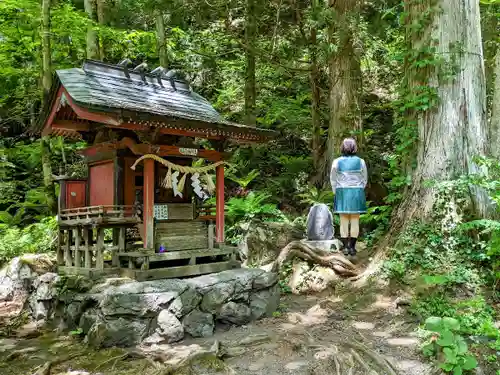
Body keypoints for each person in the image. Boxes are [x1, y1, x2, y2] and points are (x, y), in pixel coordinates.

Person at [330, 138, 367, 256]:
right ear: (354, 147)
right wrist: (359, 188)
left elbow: (333, 179)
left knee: (343, 220)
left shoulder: (336, 161)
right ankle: (352, 248)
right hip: (357, 192)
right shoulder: (361, 161)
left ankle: (345, 247)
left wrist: (335, 191)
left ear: (343, 147)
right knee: (355, 220)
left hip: (342, 192)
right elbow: (364, 178)